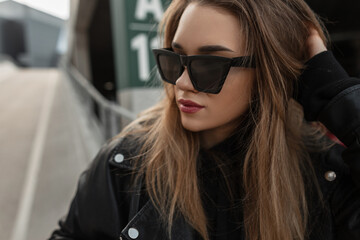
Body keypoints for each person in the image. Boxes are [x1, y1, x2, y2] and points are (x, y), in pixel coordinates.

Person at [49, 0, 360, 239]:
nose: (181, 83)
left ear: (269, 73)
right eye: (174, 58)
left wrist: (335, 93)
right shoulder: (126, 163)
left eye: (209, 65)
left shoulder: (323, 175)